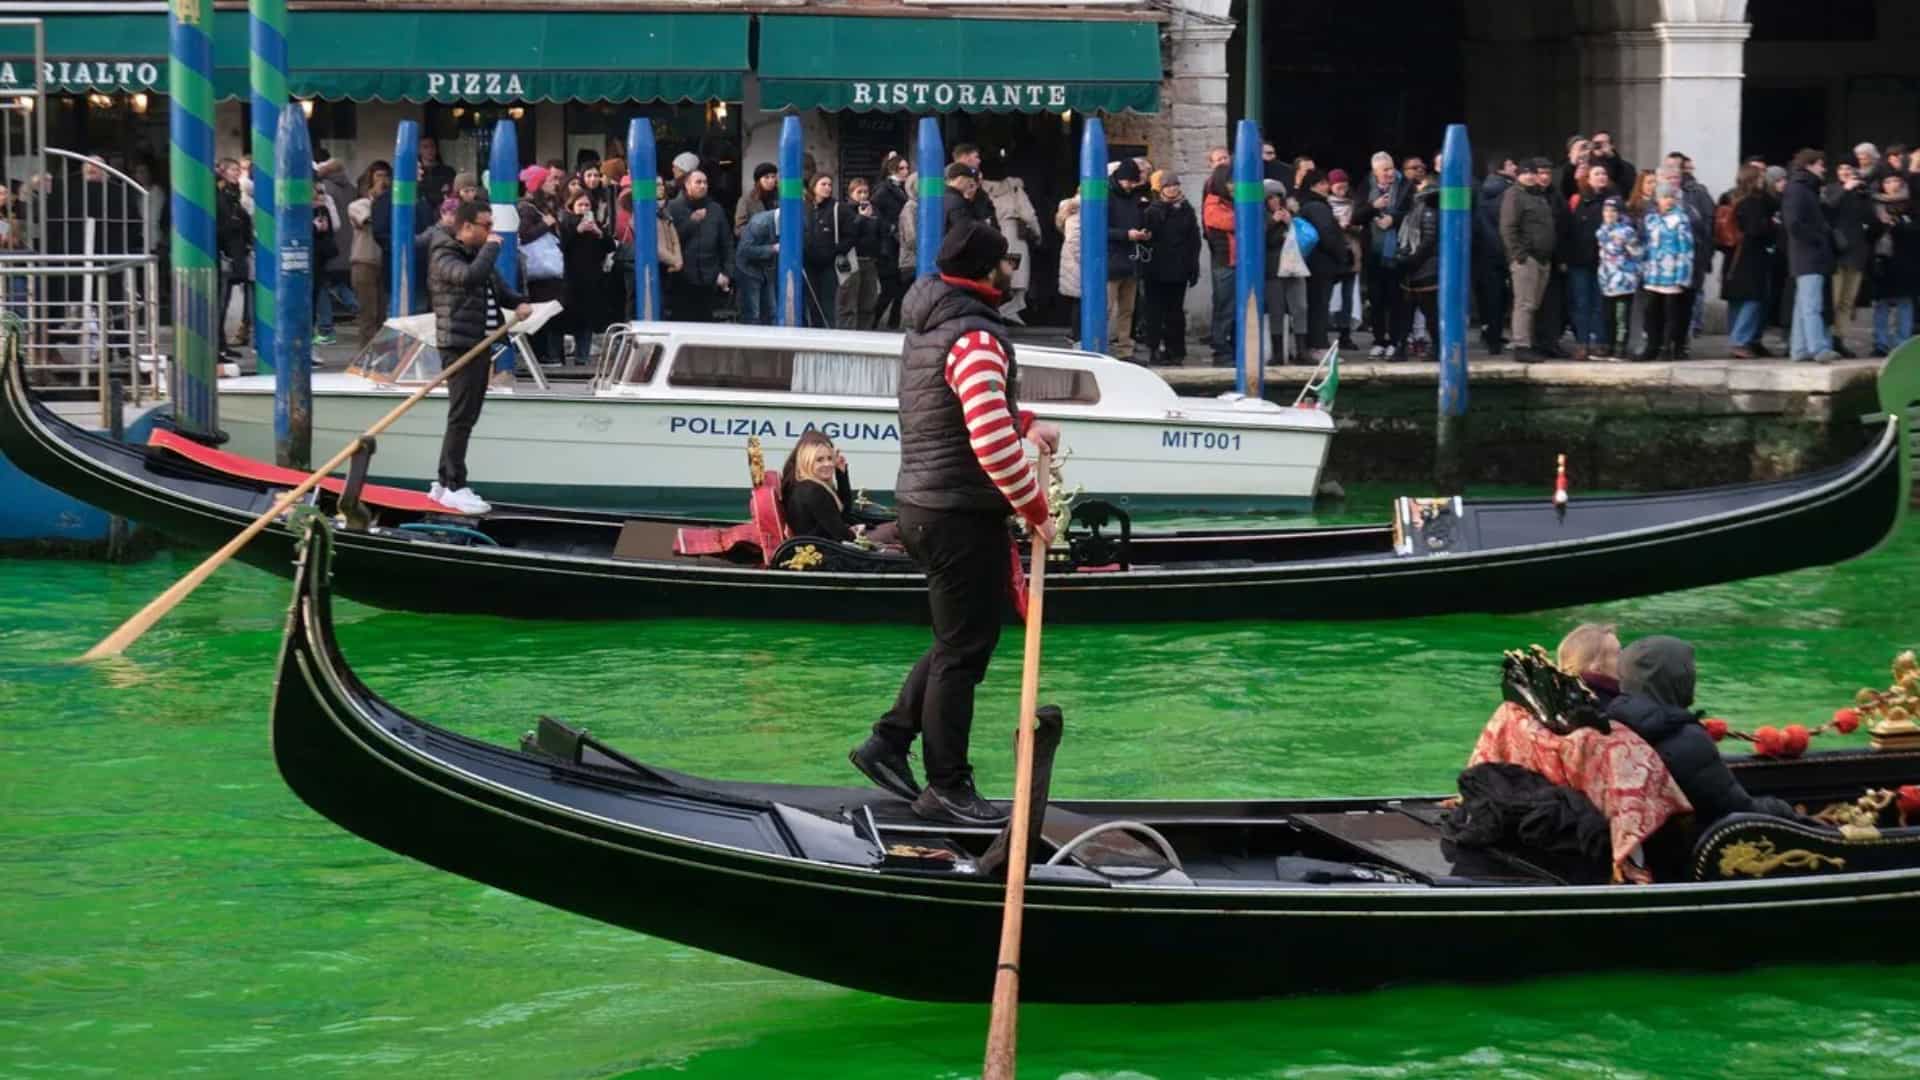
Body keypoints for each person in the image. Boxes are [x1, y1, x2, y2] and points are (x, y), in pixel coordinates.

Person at [847, 221, 1060, 824]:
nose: (1012, 270)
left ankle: (887, 743)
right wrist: (1034, 510)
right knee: (963, 653)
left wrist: (1025, 422)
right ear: (988, 270)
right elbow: (988, 442)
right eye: (1008, 261)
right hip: (957, 513)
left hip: (928, 505)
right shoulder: (974, 337)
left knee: (957, 642)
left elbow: (960, 410)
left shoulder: (934, 327)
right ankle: (946, 787)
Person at [1606, 636, 1799, 825]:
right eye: (1689, 670)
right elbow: (1737, 809)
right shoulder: (1684, 738)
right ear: (1674, 677)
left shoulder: (1616, 722)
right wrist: (1783, 809)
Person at [427, 201, 531, 516]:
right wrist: (491, 248)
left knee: (466, 417)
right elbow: (469, 278)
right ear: (467, 227)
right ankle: (453, 485)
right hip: (460, 347)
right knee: (461, 417)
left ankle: (445, 482)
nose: (491, 232)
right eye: (486, 225)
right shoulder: (443, 254)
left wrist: (522, 303)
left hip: (480, 345)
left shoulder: (475, 255)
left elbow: (498, 289)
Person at [1783, 149, 1840, 363]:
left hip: (1806, 254)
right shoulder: (1799, 190)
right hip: (1809, 255)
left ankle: (1799, 349)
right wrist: (1818, 238)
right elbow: (1794, 224)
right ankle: (1818, 348)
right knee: (1811, 305)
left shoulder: (1803, 188)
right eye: (1821, 164)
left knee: (1803, 305)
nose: (1824, 169)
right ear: (1810, 165)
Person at [1141, 173, 1200, 367]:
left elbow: (1194, 241)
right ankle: (1154, 349)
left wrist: (1193, 267)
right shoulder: (1152, 210)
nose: (1173, 188)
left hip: (1179, 269)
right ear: (1161, 189)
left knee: (1175, 313)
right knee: (1154, 311)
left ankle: (1176, 351)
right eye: (1168, 185)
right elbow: (1149, 235)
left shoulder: (1187, 210)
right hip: (1156, 269)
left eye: (1175, 185)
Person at [1500, 159, 1557, 361]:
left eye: (1533, 172)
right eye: (1526, 173)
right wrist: (1518, 254)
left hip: (1542, 258)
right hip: (1527, 258)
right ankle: (1521, 345)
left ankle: (1530, 343)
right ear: (1518, 175)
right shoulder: (1514, 195)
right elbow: (1508, 227)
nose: (1530, 176)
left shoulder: (1539, 196)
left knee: (1533, 304)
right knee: (1524, 303)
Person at [1636, 181, 1696, 361]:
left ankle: (1666, 346)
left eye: (1671, 197)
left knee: (1671, 313)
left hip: (1671, 274)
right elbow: (1646, 245)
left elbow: (1686, 249)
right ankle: (1651, 345)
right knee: (1651, 312)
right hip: (1653, 273)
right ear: (1657, 199)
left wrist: (1682, 276)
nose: (1668, 201)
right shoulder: (1651, 219)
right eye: (1664, 197)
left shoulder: (1681, 219)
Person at [1722, 165, 1777, 359]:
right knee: (1753, 299)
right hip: (1751, 257)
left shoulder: (1734, 198)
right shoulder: (1753, 203)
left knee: (1738, 300)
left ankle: (1737, 338)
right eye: (1761, 176)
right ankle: (1740, 340)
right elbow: (1756, 229)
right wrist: (1772, 225)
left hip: (1735, 256)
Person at [1358, 152, 1410, 358]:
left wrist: (1393, 219)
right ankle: (1379, 339)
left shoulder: (1405, 185)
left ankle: (1396, 340)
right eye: (1385, 170)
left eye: (1391, 168)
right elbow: (1356, 216)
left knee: (1396, 298)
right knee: (1376, 298)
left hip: (1397, 251)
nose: (1390, 173)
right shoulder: (1366, 186)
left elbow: (1412, 212)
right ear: (1375, 172)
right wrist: (1373, 207)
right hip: (1373, 251)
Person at [666, 170, 733, 323]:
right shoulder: (673, 208)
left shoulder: (715, 209)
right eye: (698, 182)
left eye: (705, 182)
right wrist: (691, 222)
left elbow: (726, 243)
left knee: (706, 324)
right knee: (682, 322)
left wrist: (727, 272)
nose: (703, 186)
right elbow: (669, 241)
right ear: (687, 185)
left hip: (709, 278)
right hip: (681, 279)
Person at [1825, 161, 1875, 357]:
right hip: (1837, 252)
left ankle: (1839, 338)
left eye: (1849, 169)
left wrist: (1864, 196)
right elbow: (1828, 210)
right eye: (1841, 169)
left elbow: (1871, 219)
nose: (1845, 172)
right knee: (1833, 299)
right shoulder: (1832, 190)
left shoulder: (1861, 191)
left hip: (1856, 252)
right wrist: (1845, 190)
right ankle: (1825, 337)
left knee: (1847, 300)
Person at [1296, 169, 1350, 351]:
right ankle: (1318, 345)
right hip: (1322, 263)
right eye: (1323, 183)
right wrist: (1341, 255)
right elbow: (1327, 235)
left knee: (1315, 304)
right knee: (1319, 305)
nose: (1327, 187)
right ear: (1315, 186)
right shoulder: (1318, 207)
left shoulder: (1305, 205)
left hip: (1312, 262)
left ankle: (1314, 344)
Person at [1389, 177, 1439, 363]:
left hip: (1425, 269)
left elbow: (1428, 241)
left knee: (1430, 311)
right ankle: (1401, 347)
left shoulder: (1428, 211)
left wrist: (1411, 260)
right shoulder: (1414, 211)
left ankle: (1436, 348)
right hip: (1414, 269)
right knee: (1407, 313)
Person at [1105, 159, 1150, 361]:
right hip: (1112, 260)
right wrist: (1126, 235)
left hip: (1130, 260)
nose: (1131, 186)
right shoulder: (1107, 196)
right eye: (1129, 182)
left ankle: (1125, 349)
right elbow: (1099, 229)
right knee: (1106, 309)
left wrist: (1142, 233)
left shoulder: (1135, 197)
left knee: (1127, 310)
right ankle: (1102, 349)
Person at [560, 192, 612, 361]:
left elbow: (610, 246)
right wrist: (577, 230)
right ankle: (572, 352)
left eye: (586, 205)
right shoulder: (566, 223)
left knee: (588, 317)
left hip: (593, 277)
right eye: (580, 205)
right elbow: (562, 245)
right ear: (572, 206)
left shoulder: (596, 224)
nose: (583, 209)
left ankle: (583, 355)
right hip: (572, 277)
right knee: (574, 316)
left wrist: (599, 232)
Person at [1264, 179, 1312, 363]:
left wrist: (1290, 222)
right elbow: (1261, 240)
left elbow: (1303, 236)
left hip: (1295, 266)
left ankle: (1301, 351)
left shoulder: (1291, 214)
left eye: (1278, 196)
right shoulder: (1260, 216)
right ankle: (1278, 353)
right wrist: (1272, 222)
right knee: (1276, 310)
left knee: (1300, 307)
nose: (1275, 200)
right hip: (1273, 269)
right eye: (1270, 197)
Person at [1475, 154, 1519, 354]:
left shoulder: (1482, 191)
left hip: (1485, 251)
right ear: (1501, 169)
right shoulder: (1510, 192)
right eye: (1511, 164)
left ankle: (1490, 334)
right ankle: (1495, 336)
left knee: (1490, 297)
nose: (1516, 167)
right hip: (1501, 250)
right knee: (1499, 298)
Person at [1871, 176, 1919, 356]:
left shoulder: (1911, 206)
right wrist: (1880, 224)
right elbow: (1869, 234)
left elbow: (1915, 231)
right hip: (1883, 262)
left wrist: (1897, 225)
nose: (1890, 185)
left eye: (1894, 181)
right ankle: (1880, 344)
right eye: (1887, 181)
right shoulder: (1876, 206)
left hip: (1907, 263)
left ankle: (1902, 344)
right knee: (1881, 304)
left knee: (1905, 304)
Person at [984, 173, 1041, 323]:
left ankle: (1004, 309)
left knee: (1001, 276)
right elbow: (1029, 214)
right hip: (1014, 235)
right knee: (1018, 275)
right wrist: (1038, 233)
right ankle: (1009, 309)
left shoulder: (984, 190)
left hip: (994, 234)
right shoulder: (1015, 189)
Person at [802, 173, 857, 328]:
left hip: (829, 265)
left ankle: (829, 333)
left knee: (828, 303)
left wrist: (834, 251)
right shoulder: (805, 208)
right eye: (823, 184)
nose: (827, 188)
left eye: (829, 185)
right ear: (814, 186)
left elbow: (851, 236)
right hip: (808, 264)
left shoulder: (839, 208)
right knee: (812, 304)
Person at [1565, 169, 1610, 360]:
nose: (1601, 177)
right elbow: (1567, 230)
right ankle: (1582, 343)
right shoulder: (1577, 201)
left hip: (1604, 261)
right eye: (1597, 174)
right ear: (1588, 179)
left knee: (1600, 304)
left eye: (1603, 174)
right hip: (1579, 260)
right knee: (1582, 303)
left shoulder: (1612, 201)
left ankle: (1601, 342)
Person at [1595, 196, 1643, 361]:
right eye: (1606, 210)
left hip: (1623, 280)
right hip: (1606, 280)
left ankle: (1620, 348)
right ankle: (1607, 345)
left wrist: (1631, 273)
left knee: (1621, 316)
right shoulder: (1602, 230)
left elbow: (1637, 254)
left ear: (1620, 213)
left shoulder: (1627, 231)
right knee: (1607, 316)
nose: (1609, 214)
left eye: (1613, 210)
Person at [347, 165, 388, 343]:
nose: (383, 181)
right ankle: (366, 357)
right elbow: (368, 220)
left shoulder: (389, 205)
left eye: (386, 176)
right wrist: (378, 198)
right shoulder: (358, 205)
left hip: (384, 261)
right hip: (364, 261)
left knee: (381, 315)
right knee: (368, 315)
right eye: (378, 176)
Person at [1201, 164, 1236, 365]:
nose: (1234, 187)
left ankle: (1227, 346)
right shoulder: (1213, 205)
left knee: (1231, 307)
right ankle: (1220, 349)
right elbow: (1233, 222)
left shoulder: (1230, 203)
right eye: (1231, 182)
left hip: (1234, 262)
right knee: (1224, 308)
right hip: (1225, 263)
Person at [837, 177, 884, 329]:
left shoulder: (873, 209)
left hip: (869, 259)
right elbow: (850, 233)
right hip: (853, 259)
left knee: (869, 301)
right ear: (851, 193)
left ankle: (865, 332)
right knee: (849, 302)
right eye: (859, 192)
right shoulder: (845, 210)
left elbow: (880, 232)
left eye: (866, 192)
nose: (863, 196)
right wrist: (862, 218)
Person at [873, 152, 912, 329]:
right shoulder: (883, 190)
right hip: (888, 246)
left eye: (907, 168)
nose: (906, 171)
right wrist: (891, 228)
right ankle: (873, 321)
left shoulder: (906, 189)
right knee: (890, 289)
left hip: (900, 245)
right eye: (901, 168)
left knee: (902, 287)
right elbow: (876, 214)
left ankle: (893, 322)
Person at [1326, 170, 1364, 351]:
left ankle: (1345, 333)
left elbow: (1362, 228)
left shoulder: (1355, 204)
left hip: (1351, 255)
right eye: (1337, 184)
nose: (1342, 187)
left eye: (1344, 184)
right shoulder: (1324, 204)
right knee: (1325, 295)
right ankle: (1322, 334)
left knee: (1347, 297)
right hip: (1331, 256)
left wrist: (1351, 226)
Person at [1556, 622, 1623, 707]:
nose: (1624, 657)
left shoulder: (1562, 697)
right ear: (1595, 668)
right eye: (1618, 653)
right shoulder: (1614, 708)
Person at [735, 204, 779, 326]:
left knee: (772, 312)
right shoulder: (760, 223)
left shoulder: (779, 222)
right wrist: (772, 249)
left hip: (766, 270)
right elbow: (744, 250)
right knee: (753, 314)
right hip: (748, 270)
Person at [1055, 192, 1082, 346]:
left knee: (1078, 300)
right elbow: (1074, 239)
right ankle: (1077, 336)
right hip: (1078, 262)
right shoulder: (1078, 209)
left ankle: (1076, 334)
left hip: (1073, 260)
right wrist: (1087, 262)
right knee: (1080, 299)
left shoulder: (1072, 208)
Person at [735, 162, 778, 238]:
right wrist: (757, 231)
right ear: (758, 180)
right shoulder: (747, 200)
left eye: (773, 176)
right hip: (757, 244)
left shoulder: (781, 197)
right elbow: (738, 229)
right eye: (766, 177)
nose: (771, 181)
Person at [417, 135, 455, 208]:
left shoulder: (448, 171)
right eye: (425, 147)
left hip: (443, 212)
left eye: (432, 146)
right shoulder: (415, 171)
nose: (429, 150)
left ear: (436, 149)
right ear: (419, 150)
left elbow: (450, 193)